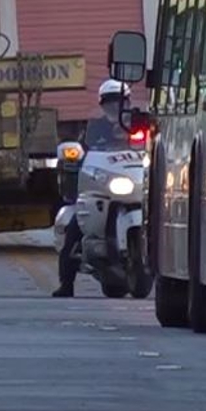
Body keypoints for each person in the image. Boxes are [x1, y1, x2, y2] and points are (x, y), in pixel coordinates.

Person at [53, 78, 132, 298]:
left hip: (132, 183)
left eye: (120, 101)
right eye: (110, 101)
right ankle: (66, 284)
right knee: (74, 228)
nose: (115, 105)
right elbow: (83, 151)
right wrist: (78, 157)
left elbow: (150, 145)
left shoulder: (137, 124)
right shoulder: (95, 127)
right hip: (103, 187)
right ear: (102, 103)